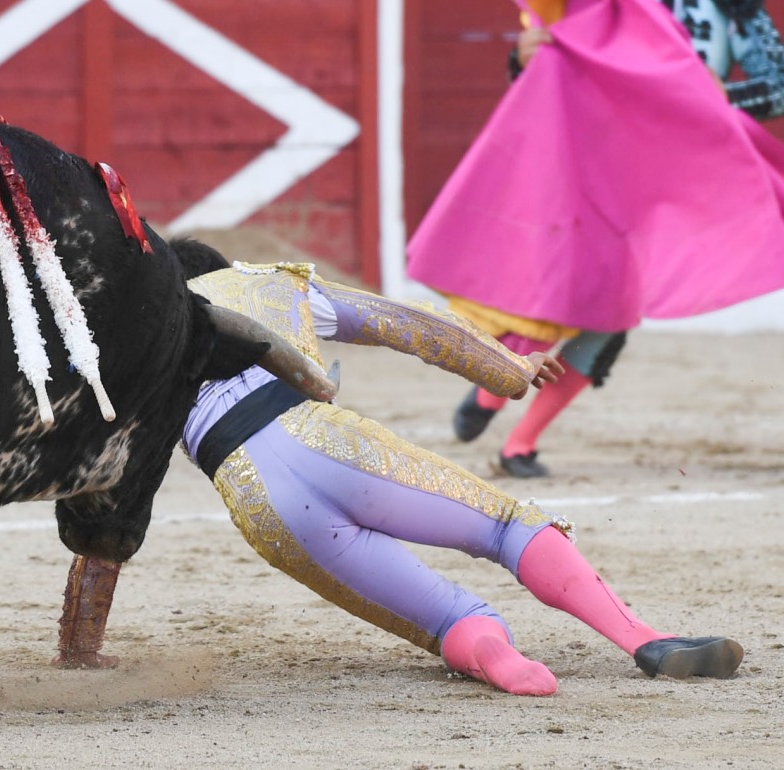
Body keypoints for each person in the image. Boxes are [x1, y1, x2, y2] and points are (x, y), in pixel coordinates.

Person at [50, 241, 743, 696]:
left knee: (446, 619)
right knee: (505, 526)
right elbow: (406, 325)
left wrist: (81, 646)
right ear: (221, 265)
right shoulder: (265, 283)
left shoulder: (139, 348)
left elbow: (107, 502)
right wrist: (507, 373)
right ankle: (642, 638)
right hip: (324, 438)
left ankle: (501, 661)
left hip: (256, 500)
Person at [447, 0, 784, 478]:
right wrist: (524, 60)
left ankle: (520, 444)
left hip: (674, 184)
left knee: (612, 314)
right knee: (559, 292)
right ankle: (491, 392)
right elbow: (553, 73)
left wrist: (713, 99)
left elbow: (779, 88)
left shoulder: (734, 5)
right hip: (597, 161)